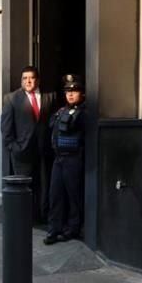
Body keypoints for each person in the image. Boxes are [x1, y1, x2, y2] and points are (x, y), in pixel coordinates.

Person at [1, 65, 59, 222]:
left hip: (44, 151)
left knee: (45, 186)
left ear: (37, 80)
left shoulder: (50, 97)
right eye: (25, 78)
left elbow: (55, 122)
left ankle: (43, 217)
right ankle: (25, 220)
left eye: (31, 78)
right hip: (22, 152)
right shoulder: (11, 99)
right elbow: (6, 129)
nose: (28, 81)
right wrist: (14, 148)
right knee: (24, 189)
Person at [44, 74, 86, 245]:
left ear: (81, 94)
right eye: (68, 91)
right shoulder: (61, 111)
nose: (70, 94)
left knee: (73, 196)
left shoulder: (84, 113)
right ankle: (54, 229)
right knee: (55, 196)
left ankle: (72, 229)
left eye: (74, 91)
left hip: (73, 159)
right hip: (59, 160)